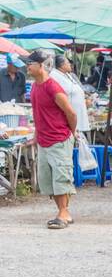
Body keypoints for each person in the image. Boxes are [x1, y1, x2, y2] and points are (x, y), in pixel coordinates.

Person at [26, 50, 78, 230]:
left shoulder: (52, 87)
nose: (27, 66)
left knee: (61, 177)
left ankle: (63, 213)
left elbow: (71, 112)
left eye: (30, 64)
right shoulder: (34, 87)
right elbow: (37, 113)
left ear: (41, 66)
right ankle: (64, 212)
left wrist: (71, 133)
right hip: (44, 140)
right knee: (48, 179)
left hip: (59, 138)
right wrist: (35, 136)